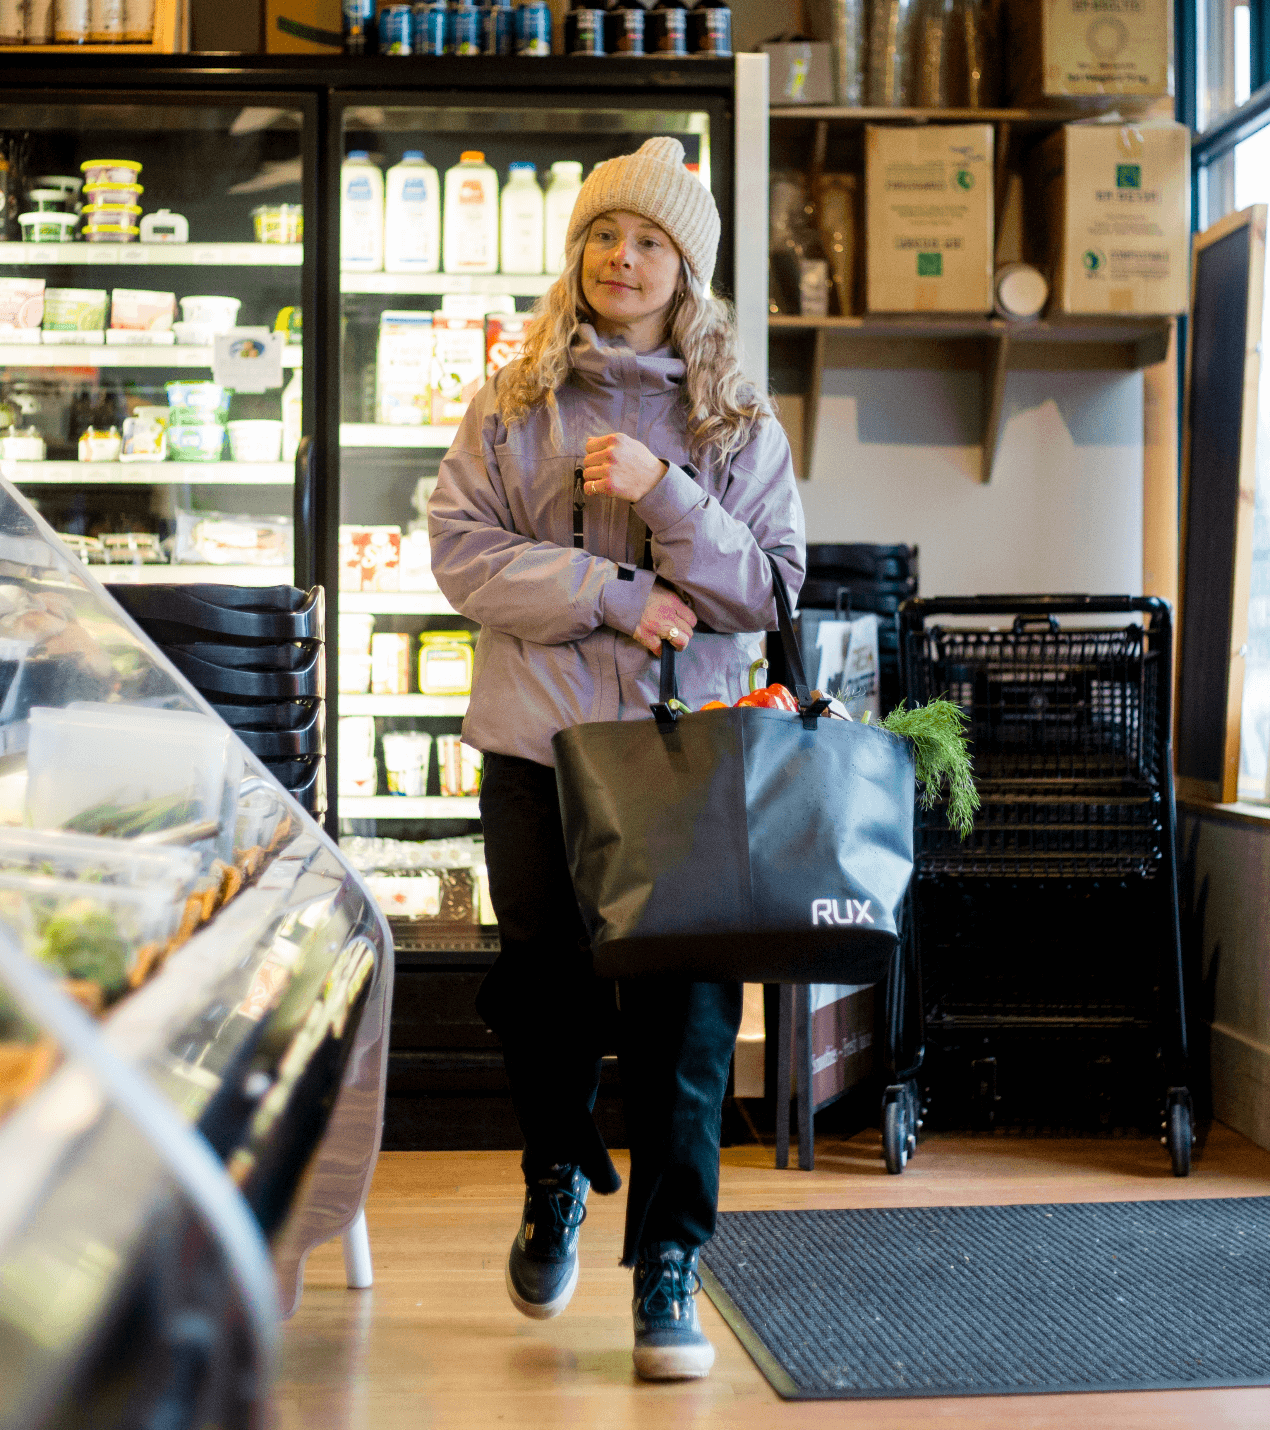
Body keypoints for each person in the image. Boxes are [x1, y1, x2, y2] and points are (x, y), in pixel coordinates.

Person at [428, 136, 805, 1382]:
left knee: (685, 1015)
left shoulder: (735, 420)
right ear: (576, 252)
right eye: (603, 233)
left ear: (685, 269)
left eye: (648, 240)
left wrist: (667, 494)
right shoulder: (512, 400)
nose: (621, 257)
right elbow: (461, 555)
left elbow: (769, 589)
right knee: (545, 989)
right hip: (537, 748)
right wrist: (613, 591)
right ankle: (554, 1172)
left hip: (683, 759)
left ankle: (669, 1264)